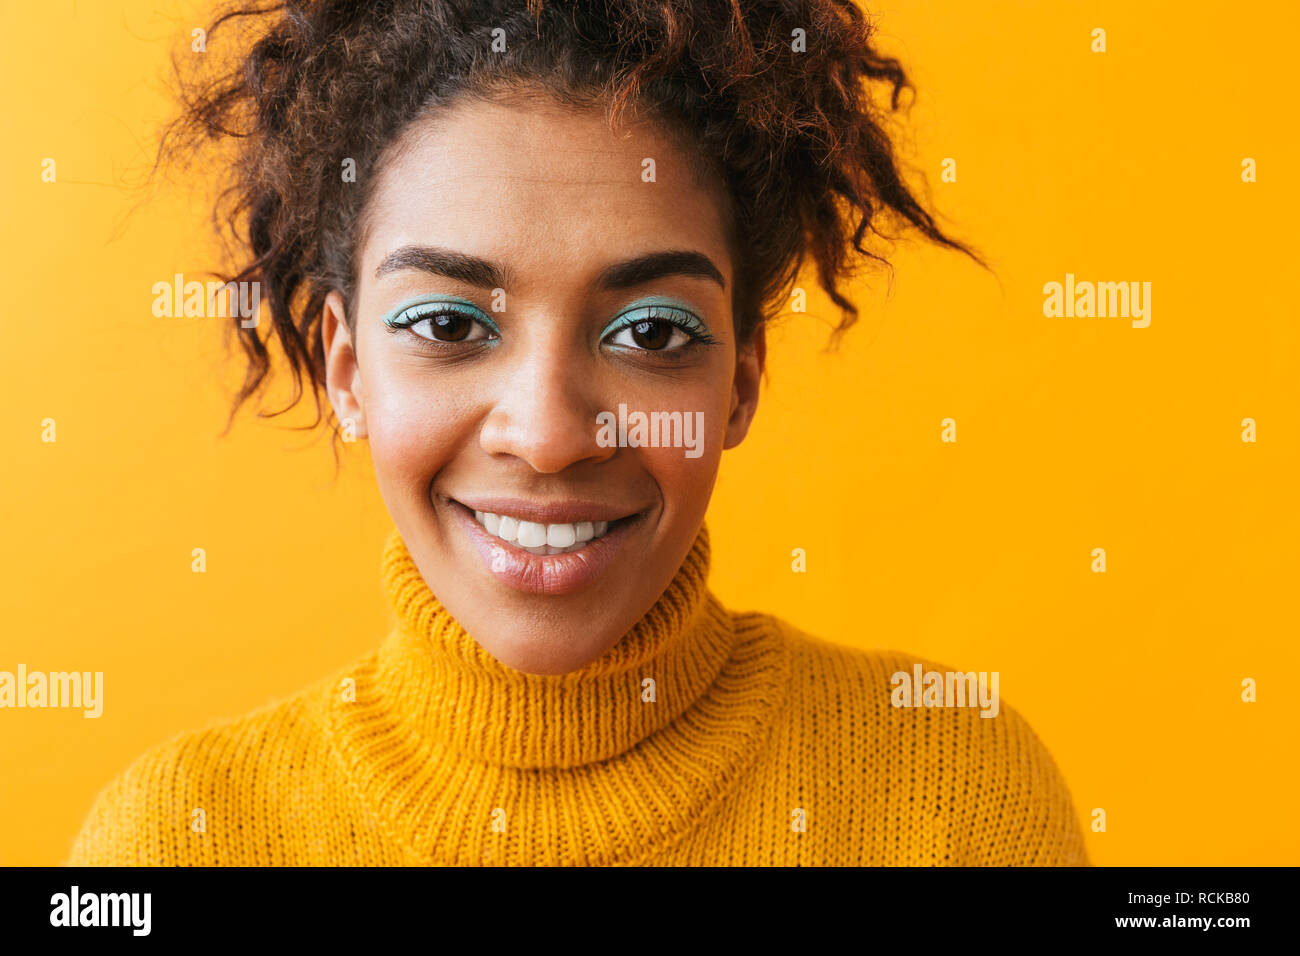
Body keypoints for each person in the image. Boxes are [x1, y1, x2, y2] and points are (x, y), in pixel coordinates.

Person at [70, 0, 1088, 866]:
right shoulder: (172, 840)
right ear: (348, 370)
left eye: (650, 331)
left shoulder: (955, 801)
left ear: (738, 382)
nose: (551, 435)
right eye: (449, 325)